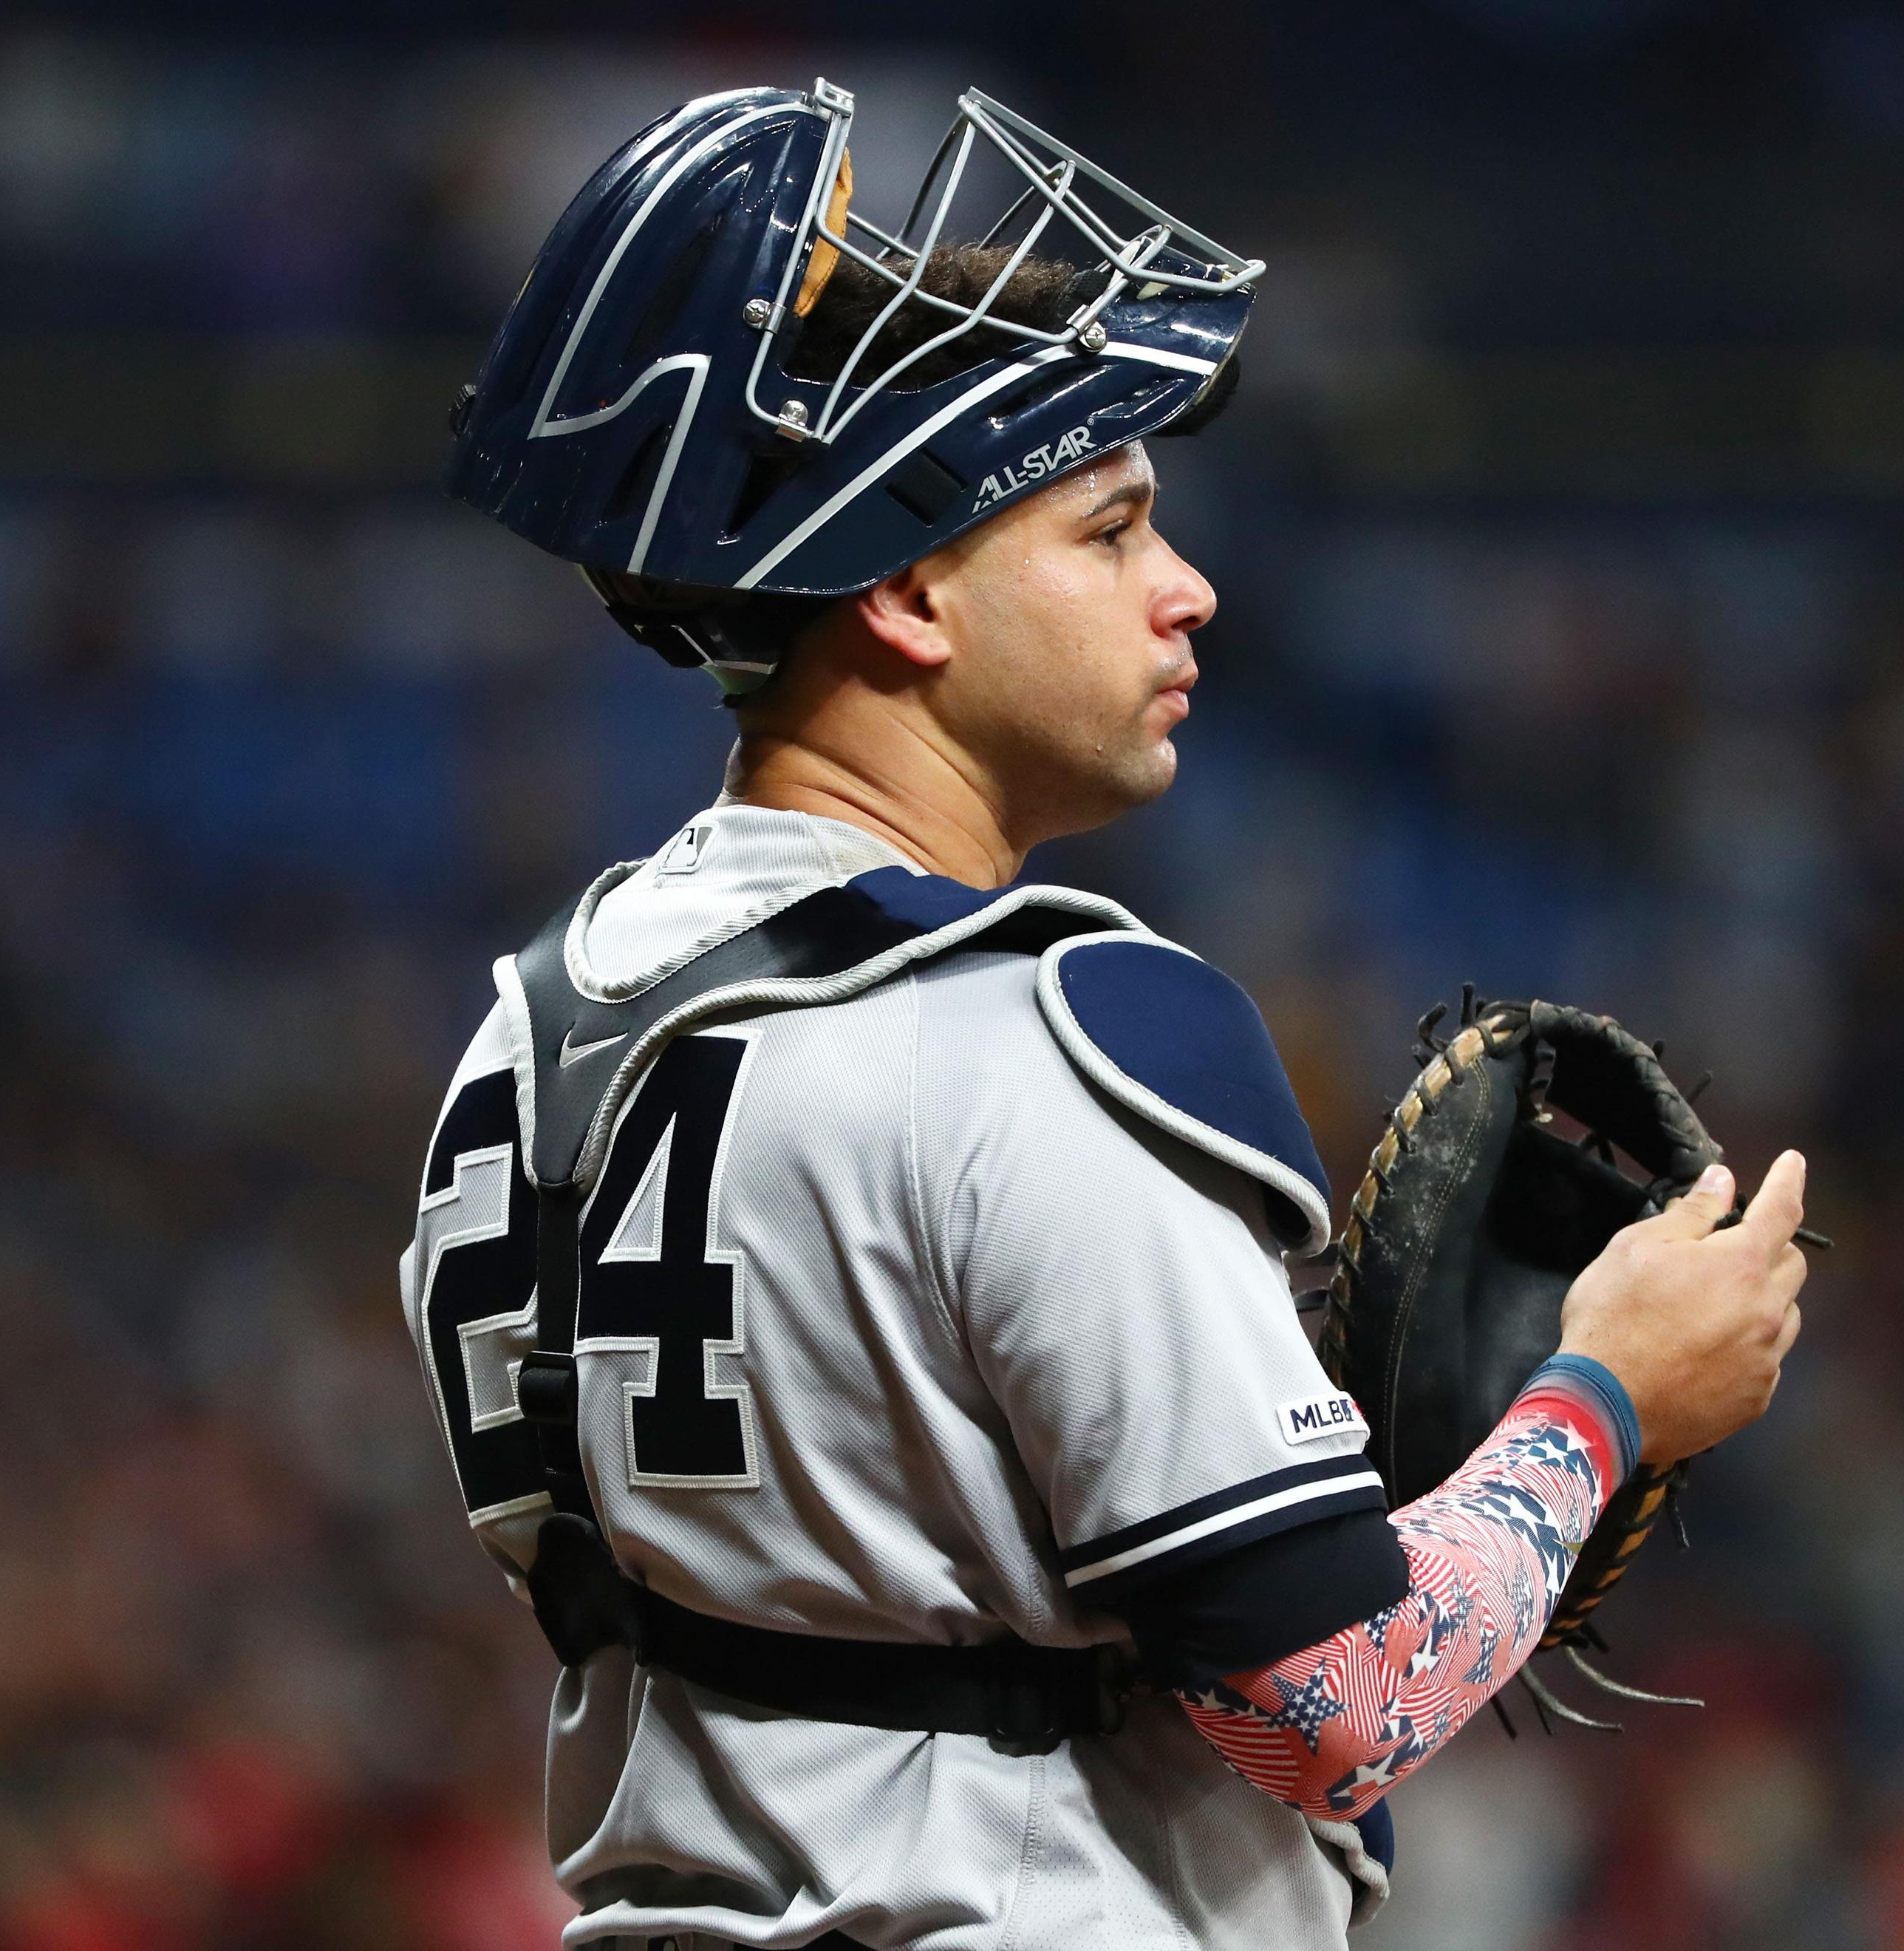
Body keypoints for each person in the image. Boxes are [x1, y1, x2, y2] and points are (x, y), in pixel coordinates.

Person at [401, 79, 1807, 1950]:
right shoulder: (1044, 1033)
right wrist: (1612, 1396)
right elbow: (1336, 1708)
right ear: (906, 591)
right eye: (1111, 528)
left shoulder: (521, 1042)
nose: (1188, 589)